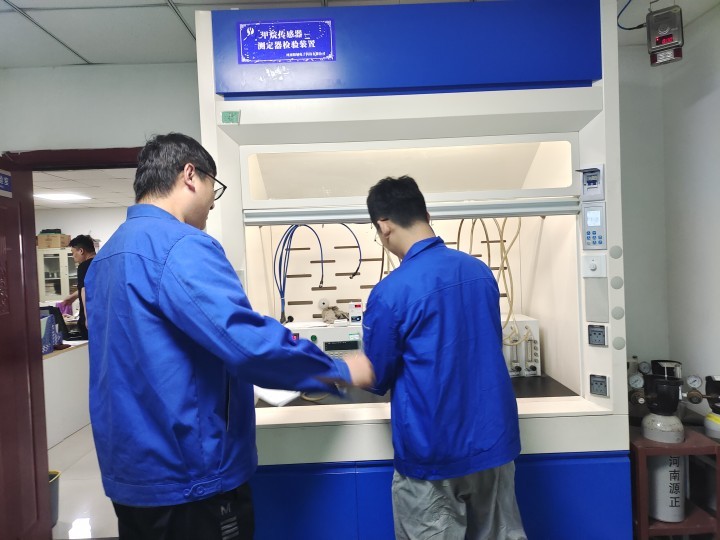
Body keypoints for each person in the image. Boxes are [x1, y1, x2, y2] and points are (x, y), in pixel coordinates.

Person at [84, 133, 374, 540]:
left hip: (132, 476)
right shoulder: (182, 246)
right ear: (190, 175)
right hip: (190, 481)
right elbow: (247, 344)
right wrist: (338, 370)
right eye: (213, 188)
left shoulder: (106, 257)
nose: (213, 202)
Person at [362, 176, 526, 540]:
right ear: (426, 215)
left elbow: (376, 377)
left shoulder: (390, 292)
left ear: (383, 226)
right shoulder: (480, 272)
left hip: (433, 454)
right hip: (493, 445)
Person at [61, 234, 96, 339]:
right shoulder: (102, 263)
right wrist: (73, 296)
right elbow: (92, 287)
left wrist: (87, 319)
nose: (73, 257)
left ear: (81, 251)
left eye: (73, 253)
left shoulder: (83, 266)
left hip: (91, 319)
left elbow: (85, 291)